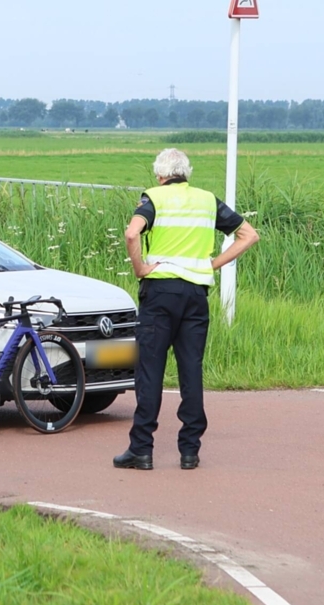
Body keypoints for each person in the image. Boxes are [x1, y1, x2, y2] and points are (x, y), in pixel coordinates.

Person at [114, 148, 259, 471]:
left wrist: (140, 268)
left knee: (151, 370)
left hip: (160, 292)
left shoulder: (153, 198)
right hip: (195, 294)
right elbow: (249, 235)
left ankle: (141, 449)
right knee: (191, 369)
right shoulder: (207, 200)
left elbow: (132, 233)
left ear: (160, 175)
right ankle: (190, 450)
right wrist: (212, 265)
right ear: (186, 173)